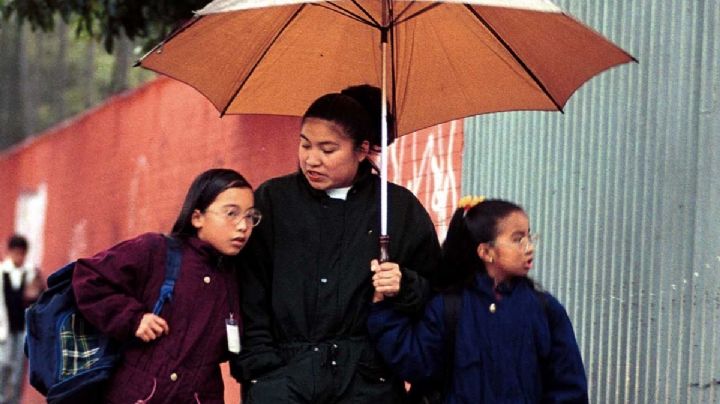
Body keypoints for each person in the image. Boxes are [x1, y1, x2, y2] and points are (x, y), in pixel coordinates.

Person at [230, 85, 441, 403]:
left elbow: (438, 295)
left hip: (368, 384)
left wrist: (405, 284)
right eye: (305, 145)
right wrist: (262, 371)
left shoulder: (397, 208)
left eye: (328, 150)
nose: (311, 160)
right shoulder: (273, 201)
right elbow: (247, 292)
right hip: (283, 381)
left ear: (361, 149)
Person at [368, 197, 589, 403]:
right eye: (518, 239)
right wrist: (383, 311)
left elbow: (569, 386)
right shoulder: (449, 307)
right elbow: (416, 362)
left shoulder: (545, 309)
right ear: (486, 252)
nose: (529, 247)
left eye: (529, 237)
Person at [72, 168, 259, 403]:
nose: (243, 226)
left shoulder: (238, 277)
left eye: (250, 216)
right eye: (231, 213)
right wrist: (133, 318)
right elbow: (88, 277)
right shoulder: (157, 251)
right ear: (197, 217)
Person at [0, 234, 43, 404]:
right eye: (16, 253)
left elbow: (39, 299)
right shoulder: (2, 272)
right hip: (3, 330)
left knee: (18, 371)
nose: (19, 257)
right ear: (9, 252)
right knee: (2, 366)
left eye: (22, 253)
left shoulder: (31, 273)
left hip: (21, 330)